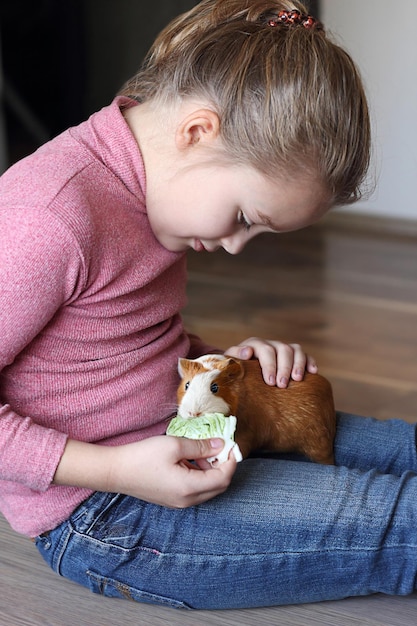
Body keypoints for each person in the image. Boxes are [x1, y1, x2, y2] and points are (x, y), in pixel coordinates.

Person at [1, 0, 416, 611]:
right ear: (198, 131)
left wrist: (223, 367)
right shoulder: (47, 219)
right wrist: (118, 472)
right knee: (399, 520)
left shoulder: (152, 191)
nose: (234, 245)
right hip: (107, 512)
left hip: (198, 433)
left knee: (402, 449)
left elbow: (121, 346)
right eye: (245, 217)